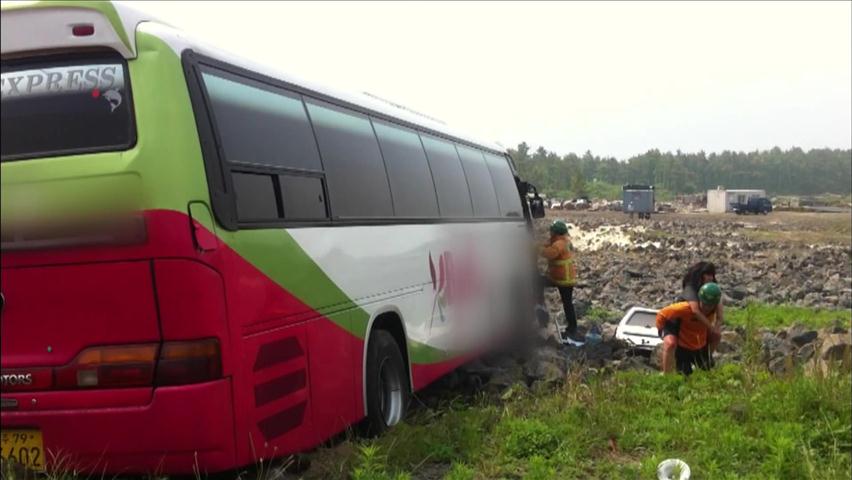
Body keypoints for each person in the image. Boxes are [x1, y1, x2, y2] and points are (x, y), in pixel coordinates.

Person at [656, 282, 722, 375]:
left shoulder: (715, 310)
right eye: (704, 304)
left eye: (710, 306)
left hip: (700, 346)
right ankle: (667, 374)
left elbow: (719, 318)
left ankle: (707, 357)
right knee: (684, 375)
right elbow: (662, 314)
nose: (706, 308)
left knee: (707, 371)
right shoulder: (685, 308)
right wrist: (661, 330)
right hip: (683, 348)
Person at [536, 220, 582, 344]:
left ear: (555, 232)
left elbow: (550, 253)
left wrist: (537, 248)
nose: (549, 233)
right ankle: (571, 328)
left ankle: (572, 328)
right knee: (538, 282)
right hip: (558, 278)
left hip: (564, 280)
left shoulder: (560, 243)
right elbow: (548, 245)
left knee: (567, 304)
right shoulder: (560, 241)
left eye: (551, 231)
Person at [679, 262, 724, 352]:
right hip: (685, 323)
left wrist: (716, 327)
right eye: (707, 275)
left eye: (711, 275)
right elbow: (695, 311)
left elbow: (719, 312)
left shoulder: (712, 288)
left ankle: (707, 358)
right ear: (700, 275)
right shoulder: (690, 289)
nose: (710, 278)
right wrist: (710, 328)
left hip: (703, 323)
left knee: (717, 336)